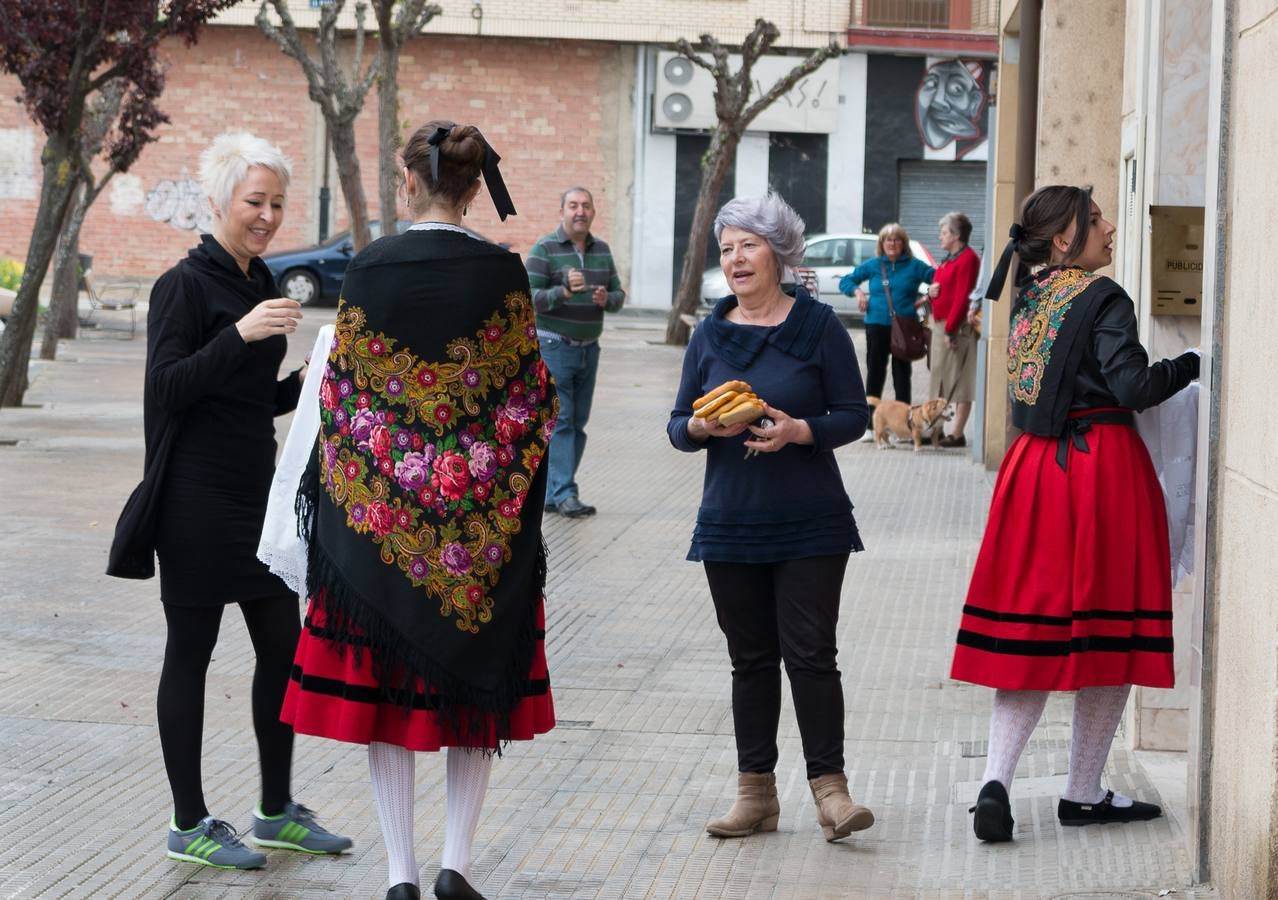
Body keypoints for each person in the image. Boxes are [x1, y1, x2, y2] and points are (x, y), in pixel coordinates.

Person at [280, 120, 556, 900]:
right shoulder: (505, 273)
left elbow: (344, 398)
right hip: (478, 534)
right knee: (479, 689)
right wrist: (482, 490)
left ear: (409, 183)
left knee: (382, 704)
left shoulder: (367, 269)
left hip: (380, 531)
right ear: (475, 190)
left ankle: (400, 873)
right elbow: (529, 403)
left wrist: (385, 490)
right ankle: (454, 867)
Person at [949, 185, 1200, 843]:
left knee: (1028, 632)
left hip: (1033, 472)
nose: (1110, 227)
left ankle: (995, 781)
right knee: (1113, 633)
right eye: (1095, 220)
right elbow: (1133, 387)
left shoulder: (1033, 294)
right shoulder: (1103, 296)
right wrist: (1195, 365)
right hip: (1100, 472)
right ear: (1064, 238)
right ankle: (1083, 792)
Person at [142, 131, 351, 869]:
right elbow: (167, 388)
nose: (266, 215)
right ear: (219, 202)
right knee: (190, 658)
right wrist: (239, 333)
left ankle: (274, 809)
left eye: (276, 204)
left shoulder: (258, 280)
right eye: (254, 201)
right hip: (193, 502)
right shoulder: (185, 286)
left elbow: (246, 400)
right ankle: (188, 822)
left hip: (256, 500)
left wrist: (314, 380)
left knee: (284, 652)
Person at [667, 193, 875, 844]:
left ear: (779, 253)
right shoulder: (709, 333)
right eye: (726, 249)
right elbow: (678, 426)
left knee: (812, 656)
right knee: (750, 661)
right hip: (731, 520)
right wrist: (699, 426)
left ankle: (831, 794)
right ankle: (755, 795)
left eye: (748, 245)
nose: (735, 259)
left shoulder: (818, 327)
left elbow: (854, 414)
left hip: (810, 520)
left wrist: (799, 430)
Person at [525, 187, 625, 518]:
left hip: (589, 349)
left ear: (593, 212)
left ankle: (555, 492)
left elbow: (618, 295)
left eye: (585, 205)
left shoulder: (602, 250)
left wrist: (605, 300)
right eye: (573, 205)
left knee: (578, 423)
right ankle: (565, 492)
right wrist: (564, 292)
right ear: (562, 212)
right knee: (563, 420)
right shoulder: (545, 248)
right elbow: (530, 297)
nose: (580, 211)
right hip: (554, 345)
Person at [838, 223, 934, 413]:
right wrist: (857, 292)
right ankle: (870, 425)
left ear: (903, 243)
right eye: (888, 240)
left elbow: (940, 279)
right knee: (875, 373)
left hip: (905, 328)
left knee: (902, 375)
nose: (892, 243)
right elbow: (845, 281)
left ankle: (904, 422)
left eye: (896, 239)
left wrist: (929, 294)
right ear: (882, 243)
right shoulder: (874, 265)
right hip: (876, 325)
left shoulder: (915, 266)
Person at [926, 211, 982, 447]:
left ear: (956, 235)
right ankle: (934, 428)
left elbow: (962, 298)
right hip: (941, 326)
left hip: (955, 329)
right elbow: (939, 288)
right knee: (939, 378)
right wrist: (930, 293)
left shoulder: (967, 259)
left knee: (959, 380)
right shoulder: (950, 258)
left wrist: (950, 329)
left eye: (944, 232)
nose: (940, 236)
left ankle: (956, 433)